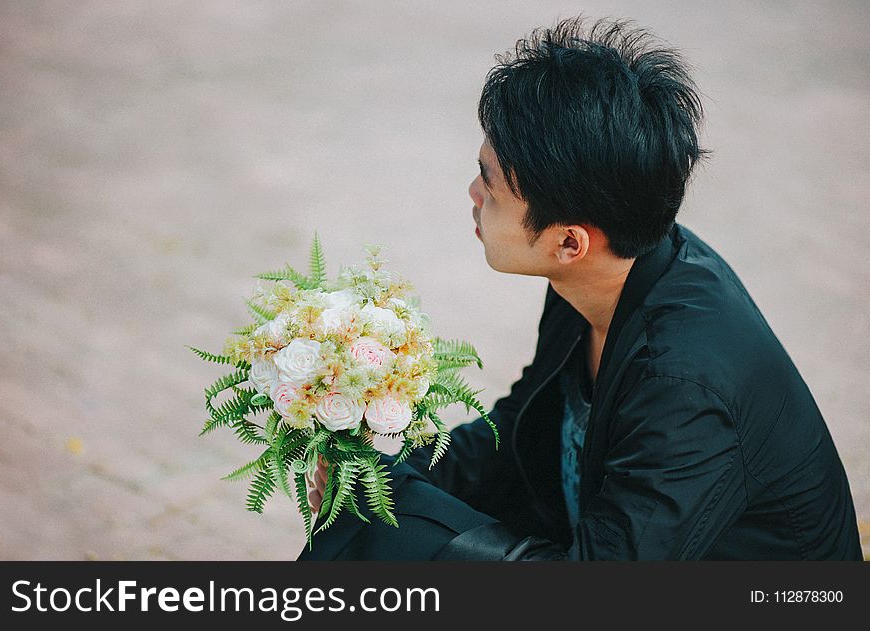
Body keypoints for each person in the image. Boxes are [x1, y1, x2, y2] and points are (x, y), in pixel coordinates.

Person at [297, 16, 863, 560]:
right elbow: (527, 422)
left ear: (570, 242)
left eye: (490, 187)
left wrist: (408, 521)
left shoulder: (685, 389)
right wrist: (386, 481)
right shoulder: (608, 266)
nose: (472, 192)